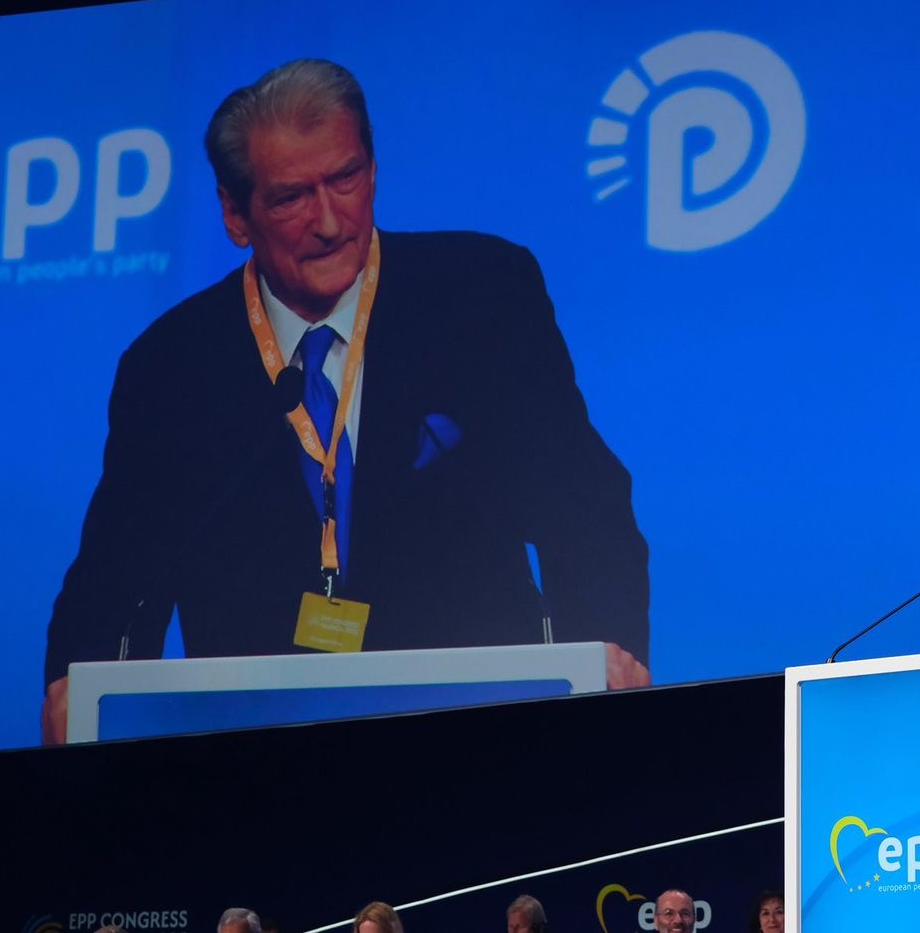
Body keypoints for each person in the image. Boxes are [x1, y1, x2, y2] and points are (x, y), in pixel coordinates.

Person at [41, 58, 651, 741]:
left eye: (346, 179)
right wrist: (77, 688)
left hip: (480, 729)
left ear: (374, 169)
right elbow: (118, 577)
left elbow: (583, 504)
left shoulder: (482, 297)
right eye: (292, 198)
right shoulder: (172, 366)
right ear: (236, 215)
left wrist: (605, 655)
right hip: (260, 748)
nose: (330, 222)